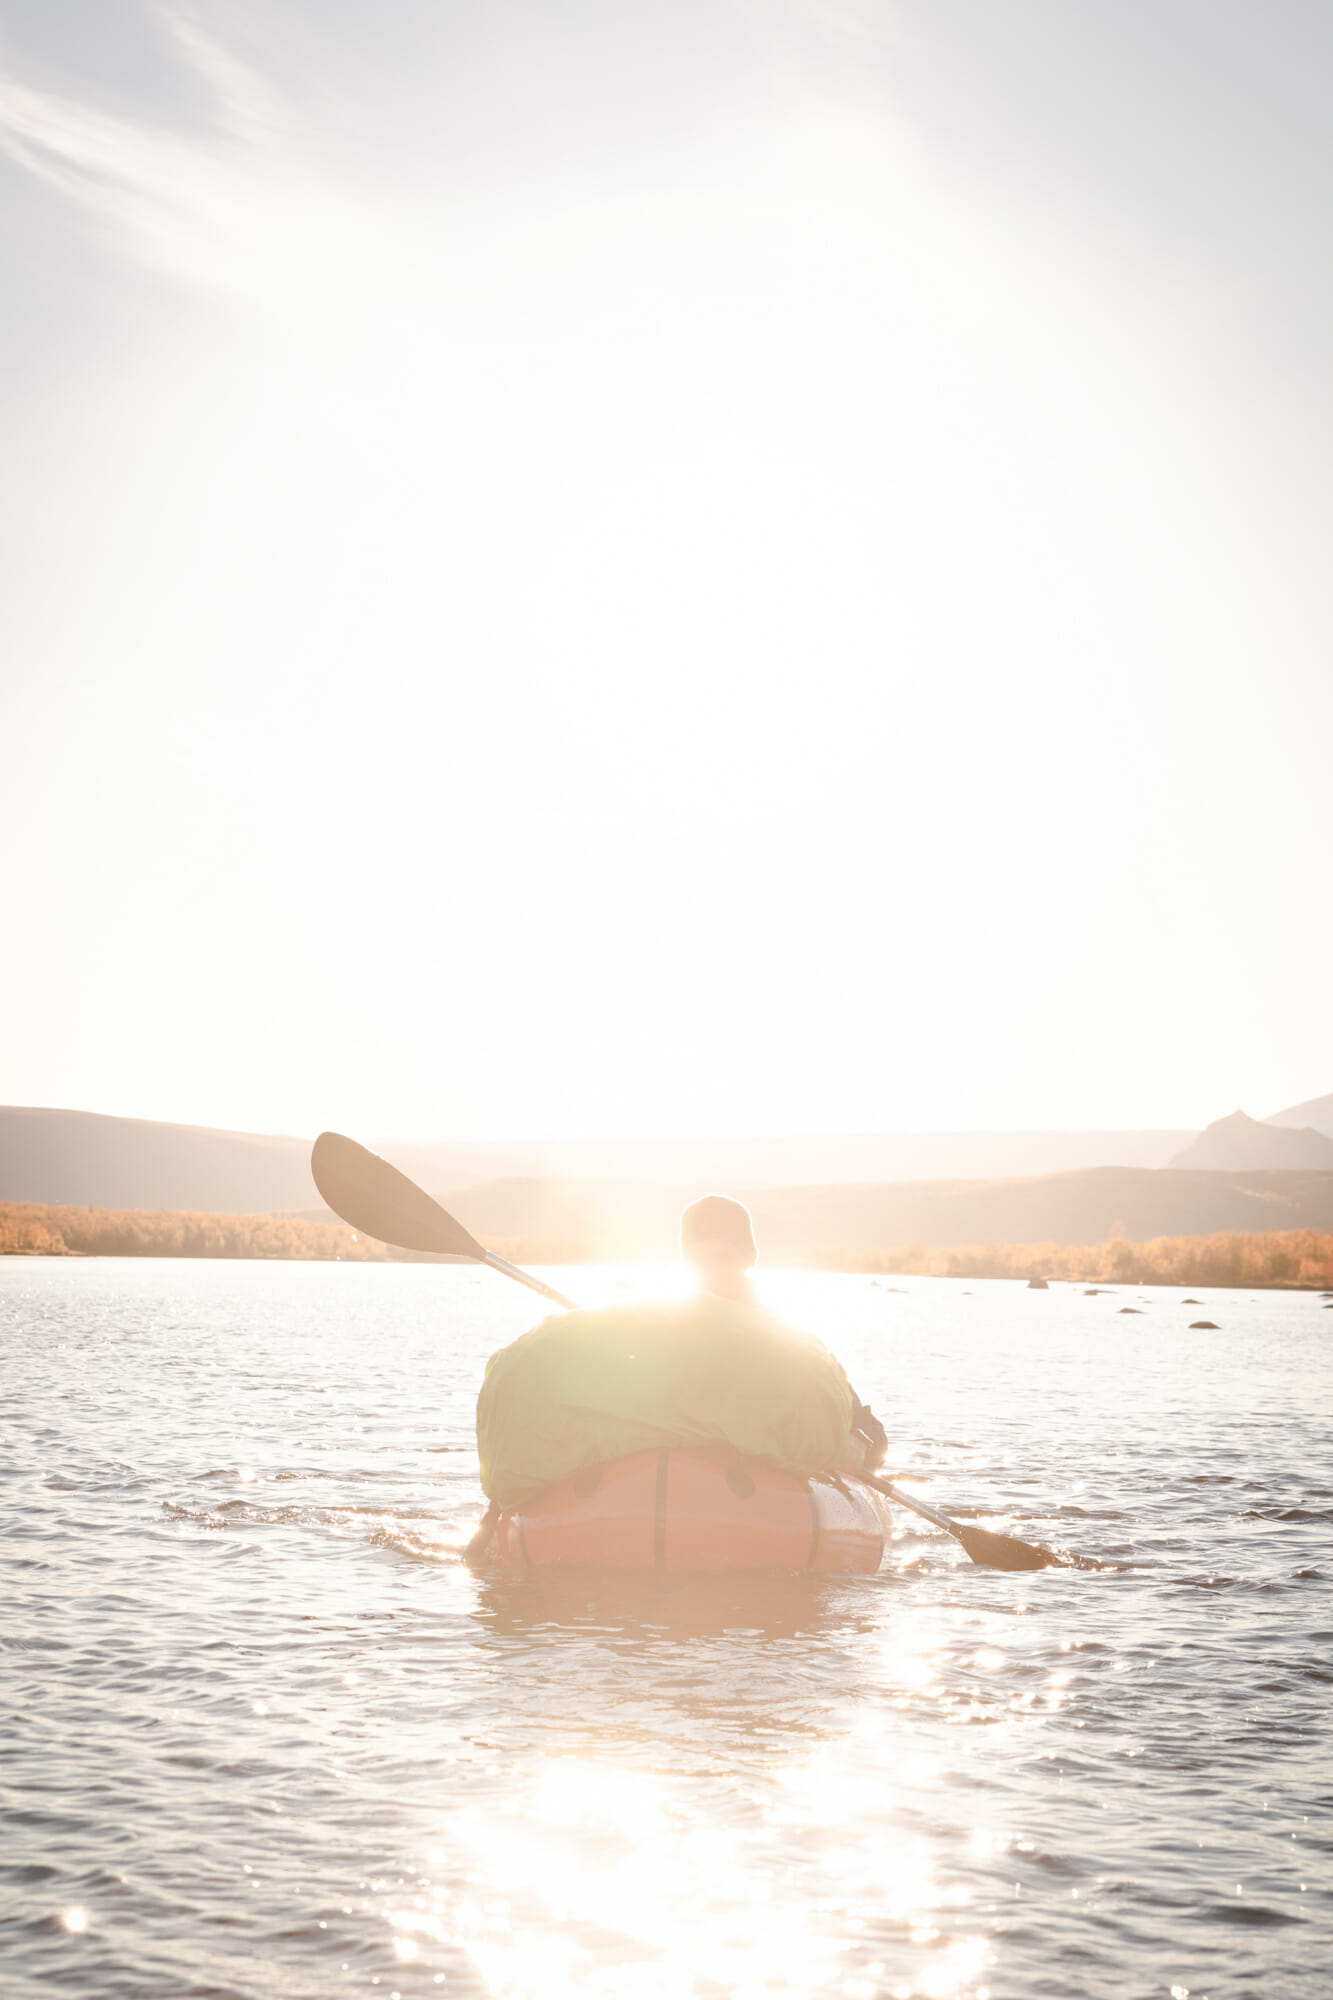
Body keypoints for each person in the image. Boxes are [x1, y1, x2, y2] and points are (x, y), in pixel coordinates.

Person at [474, 1192, 887, 1512]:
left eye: (723, 1257)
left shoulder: (791, 1346)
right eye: (699, 1261)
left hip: (752, 1498)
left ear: (748, 1258)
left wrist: (856, 1444)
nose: (712, 1272)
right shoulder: (654, 1334)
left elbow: (868, 1429)